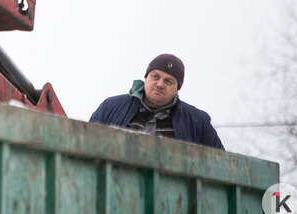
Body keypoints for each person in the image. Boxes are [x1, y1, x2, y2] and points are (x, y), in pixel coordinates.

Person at [89, 53, 224, 149]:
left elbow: (220, 163)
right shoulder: (111, 107)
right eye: (155, 77)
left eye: (168, 81)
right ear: (146, 78)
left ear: (177, 89)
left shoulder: (197, 122)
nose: (160, 84)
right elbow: (88, 145)